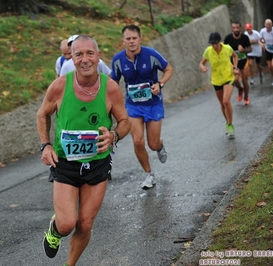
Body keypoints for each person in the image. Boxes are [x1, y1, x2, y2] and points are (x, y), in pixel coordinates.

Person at [37, 34, 131, 266]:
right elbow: (42, 114)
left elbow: (125, 121)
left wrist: (114, 135)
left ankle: (70, 264)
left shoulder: (110, 88)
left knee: (85, 223)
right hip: (66, 164)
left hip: (97, 163)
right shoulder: (60, 86)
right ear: (73, 58)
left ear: (99, 57)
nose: (85, 59)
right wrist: (46, 145)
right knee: (68, 223)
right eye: (79, 54)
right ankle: (55, 229)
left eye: (90, 53)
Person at [110, 24, 173, 189]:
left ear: (140, 39)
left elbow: (168, 69)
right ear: (123, 41)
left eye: (134, 38)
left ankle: (160, 145)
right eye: (128, 39)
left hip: (153, 104)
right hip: (133, 106)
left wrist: (160, 84)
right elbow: (113, 83)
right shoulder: (118, 60)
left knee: (152, 144)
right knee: (138, 141)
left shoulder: (151, 54)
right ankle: (149, 174)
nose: (131, 41)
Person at [199, 32, 239, 139]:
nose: (214, 45)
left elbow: (235, 56)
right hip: (216, 80)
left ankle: (230, 126)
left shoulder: (227, 48)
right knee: (222, 103)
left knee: (226, 101)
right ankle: (228, 122)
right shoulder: (208, 51)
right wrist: (202, 67)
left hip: (228, 77)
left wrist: (235, 67)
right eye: (212, 43)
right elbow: (201, 63)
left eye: (216, 43)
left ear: (220, 42)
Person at [224, 22, 252, 105]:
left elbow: (250, 49)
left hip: (244, 62)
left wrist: (244, 50)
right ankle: (240, 89)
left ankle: (246, 96)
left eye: (237, 27)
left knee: (245, 80)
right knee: (235, 80)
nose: (236, 29)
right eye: (234, 28)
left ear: (240, 28)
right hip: (234, 63)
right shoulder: (228, 38)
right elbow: (223, 50)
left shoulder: (245, 38)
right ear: (232, 29)